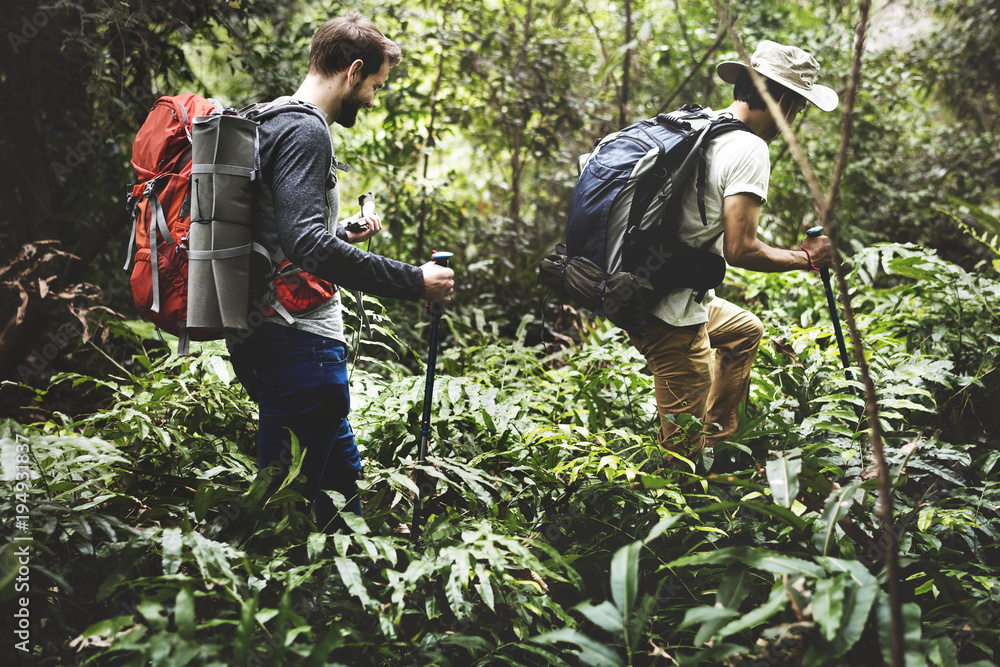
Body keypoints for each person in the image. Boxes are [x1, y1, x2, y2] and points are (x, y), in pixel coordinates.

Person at [227, 12, 455, 532]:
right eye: (375, 85)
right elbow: (306, 242)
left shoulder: (271, 118)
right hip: (298, 347)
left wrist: (344, 234)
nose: (373, 99)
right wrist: (414, 280)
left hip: (274, 339)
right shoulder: (307, 132)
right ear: (353, 72)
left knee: (339, 488)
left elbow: (283, 234)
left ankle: (342, 597)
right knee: (280, 508)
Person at [628, 40, 837, 461]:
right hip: (668, 312)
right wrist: (807, 258)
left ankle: (718, 442)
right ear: (781, 99)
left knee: (744, 331)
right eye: (796, 107)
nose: (792, 119)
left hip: (635, 282)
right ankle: (690, 480)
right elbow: (740, 250)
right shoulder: (749, 148)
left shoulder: (698, 124)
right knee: (679, 462)